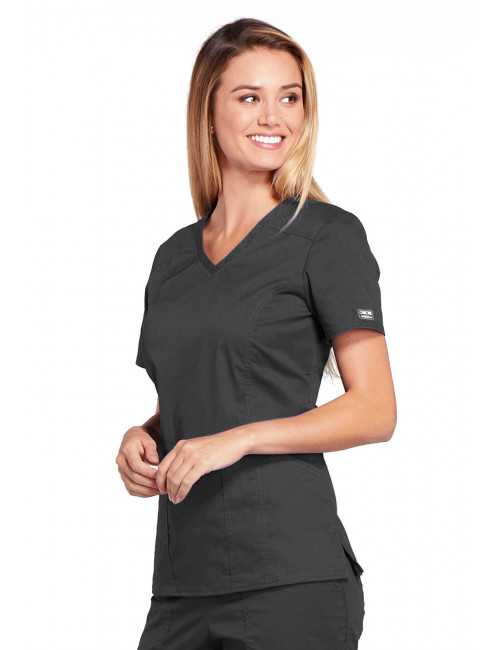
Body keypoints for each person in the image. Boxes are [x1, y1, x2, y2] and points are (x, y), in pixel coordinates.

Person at [115, 17, 397, 650]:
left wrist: (238, 441)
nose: (274, 117)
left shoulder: (328, 237)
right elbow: (201, 391)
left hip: (288, 578)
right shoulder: (172, 259)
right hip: (182, 583)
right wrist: (145, 436)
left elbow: (376, 409)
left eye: (289, 97)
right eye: (249, 97)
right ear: (208, 114)